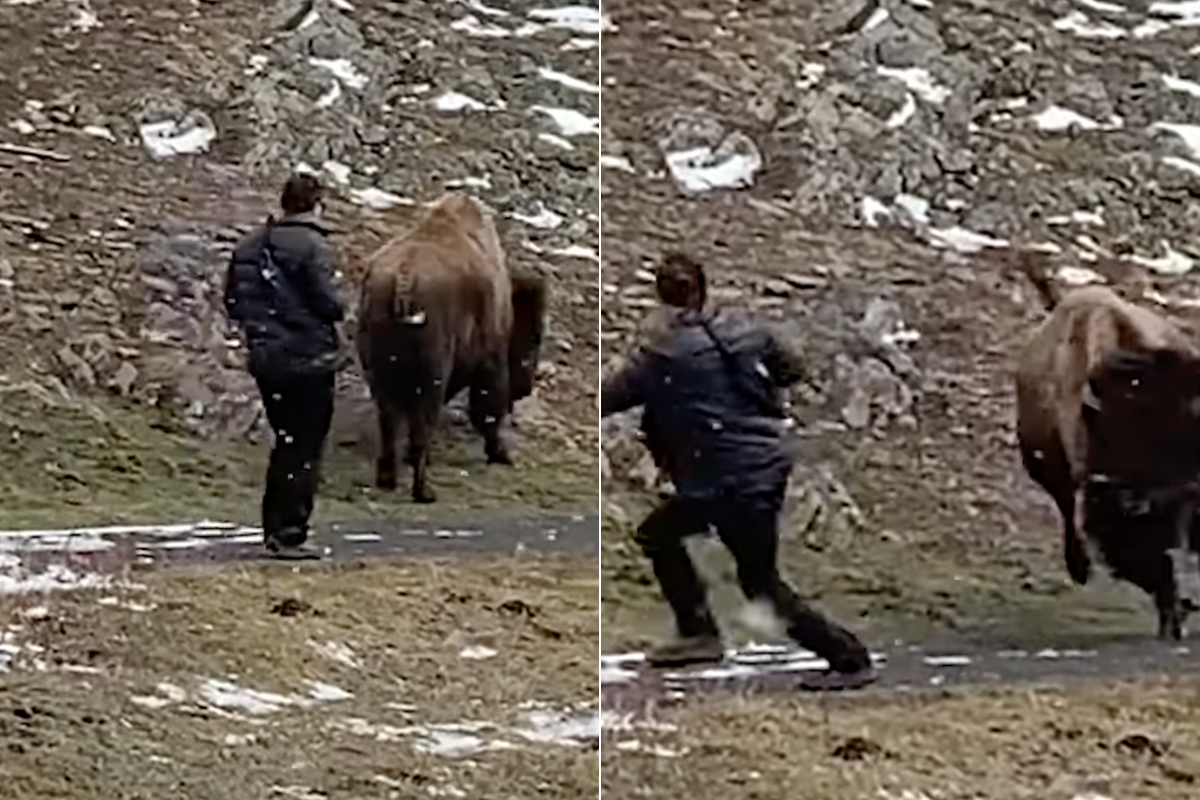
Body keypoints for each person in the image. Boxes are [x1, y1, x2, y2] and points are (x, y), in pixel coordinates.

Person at [601, 252, 878, 691]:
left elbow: (606, 398)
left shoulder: (661, 355)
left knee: (760, 584)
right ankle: (697, 634)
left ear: (660, 295)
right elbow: (792, 369)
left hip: (725, 482)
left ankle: (848, 659)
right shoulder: (749, 330)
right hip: (761, 466)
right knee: (660, 533)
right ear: (704, 287)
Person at [223, 172, 345, 559]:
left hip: (266, 359)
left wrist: (263, 330)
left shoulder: (249, 246)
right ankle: (289, 533)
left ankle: (275, 527)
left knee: (286, 441)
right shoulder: (314, 246)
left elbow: (233, 301)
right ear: (316, 204)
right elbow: (328, 304)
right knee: (303, 447)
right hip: (308, 360)